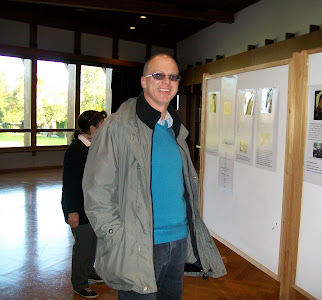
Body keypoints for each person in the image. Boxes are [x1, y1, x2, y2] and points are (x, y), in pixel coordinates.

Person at [83, 54, 227, 300]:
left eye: (173, 77)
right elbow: (97, 192)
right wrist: (116, 238)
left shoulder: (174, 128)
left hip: (178, 241)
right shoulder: (117, 127)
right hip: (139, 244)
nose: (166, 82)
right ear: (143, 81)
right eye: (158, 75)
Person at [61, 110, 107, 299]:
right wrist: (72, 211)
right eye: (100, 125)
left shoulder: (91, 146)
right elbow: (70, 184)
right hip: (79, 208)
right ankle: (79, 283)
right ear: (91, 128)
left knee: (92, 243)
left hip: (92, 205)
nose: (103, 128)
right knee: (83, 246)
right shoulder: (76, 150)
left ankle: (89, 271)